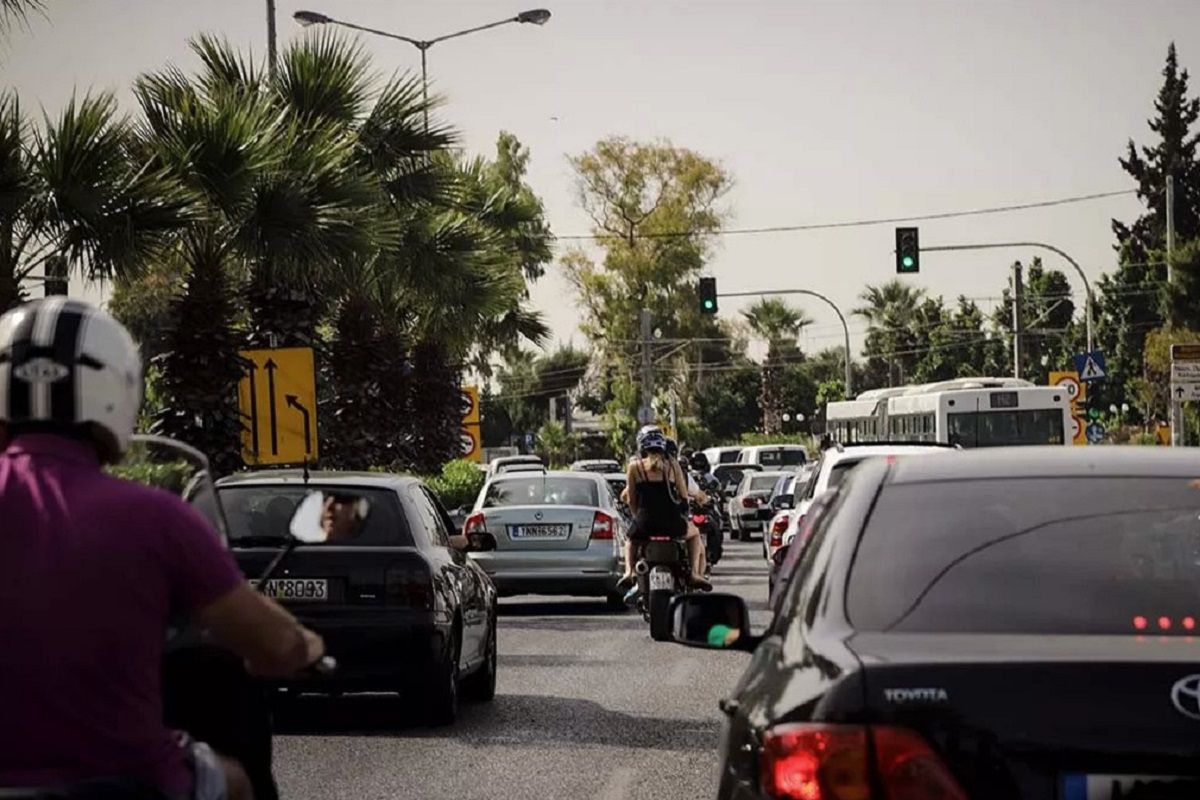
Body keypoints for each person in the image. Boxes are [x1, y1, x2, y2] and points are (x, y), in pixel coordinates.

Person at [0, 298, 324, 800]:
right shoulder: (156, 517)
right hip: (128, 779)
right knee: (237, 783)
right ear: (116, 390)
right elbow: (273, 644)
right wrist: (306, 647)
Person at [618, 426, 710, 590]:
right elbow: (683, 495)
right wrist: (683, 512)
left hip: (645, 525)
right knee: (695, 534)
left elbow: (631, 499)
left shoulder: (634, 467)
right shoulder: (673, 466)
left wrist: (637, 519)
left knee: (630, 539)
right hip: (672, 524)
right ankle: (695, 573)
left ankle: (629, 571)